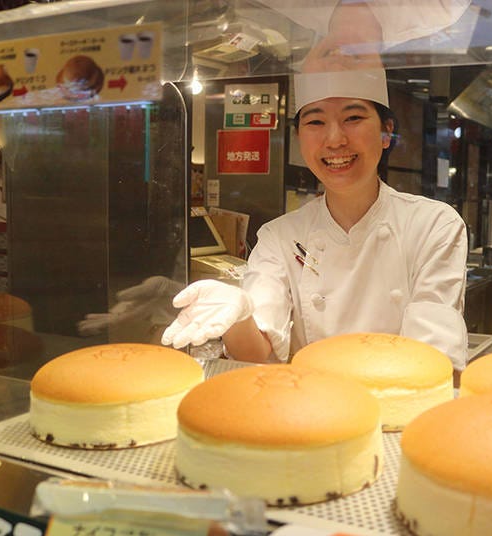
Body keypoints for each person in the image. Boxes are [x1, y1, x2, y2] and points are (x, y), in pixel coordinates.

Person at [161, 66, 469, 378]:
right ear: (298, 137)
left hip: (394, 409)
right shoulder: (278, 236)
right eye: (315, 122)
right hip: (308, 410)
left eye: (353, 118)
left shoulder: (433, 225)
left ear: (386, 132)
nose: (335, 140)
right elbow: (255, 354)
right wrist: (239, 316)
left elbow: (434, 361)